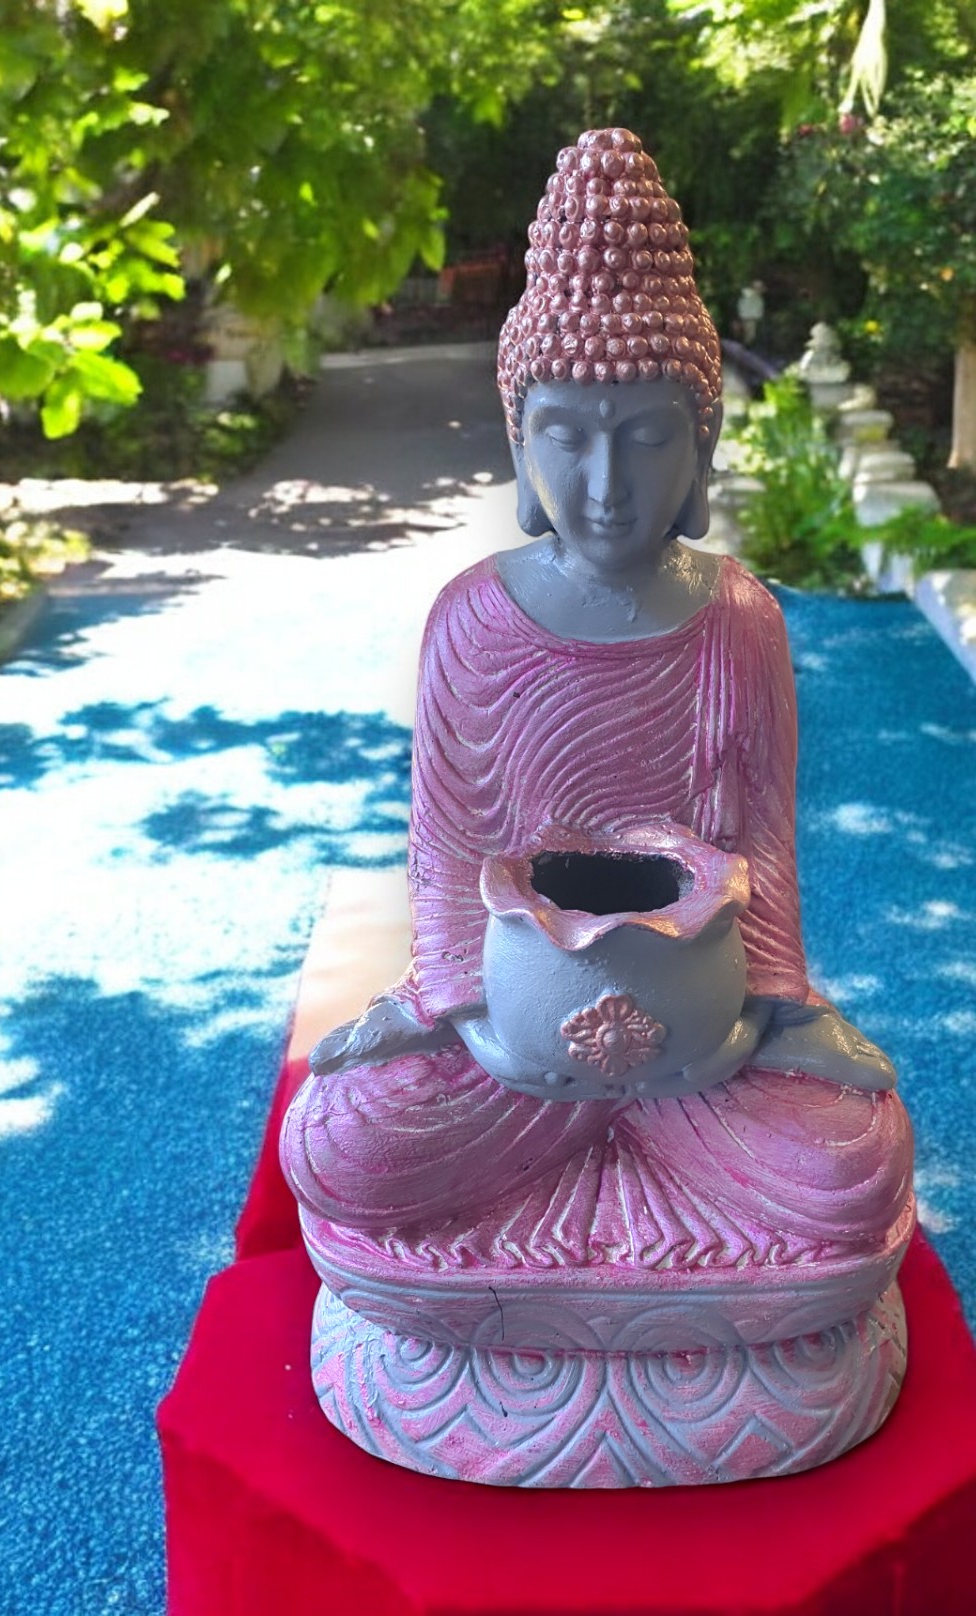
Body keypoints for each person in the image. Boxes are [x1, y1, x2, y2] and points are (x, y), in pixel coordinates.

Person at [281, 129, 911, 1267]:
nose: (608, 486)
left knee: (854, 1162)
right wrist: (475, 1020)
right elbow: (448, 859)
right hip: (514, 1043)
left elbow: (762, 853)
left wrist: (767, 1014)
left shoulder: (739, 620)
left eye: (648, 437)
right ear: (519, 442)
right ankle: (643, 1215)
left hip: (701, 1044)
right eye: (566, 438)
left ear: (702, 445)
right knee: (340, 1144)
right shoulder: (473, 621)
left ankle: (588, 1211)